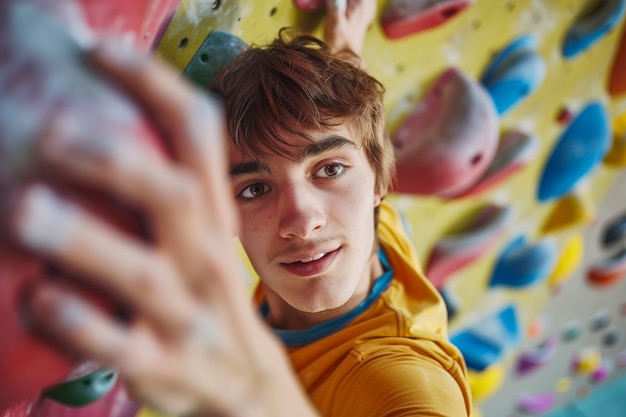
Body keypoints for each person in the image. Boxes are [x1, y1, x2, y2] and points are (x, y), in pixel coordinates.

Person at [5, 0, 471, 415]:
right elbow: (361, 141)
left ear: (380, 184)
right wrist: (346, 47)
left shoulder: (399, 378)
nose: (303, 221)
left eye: (328, 170)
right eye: (253, 189)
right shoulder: (373, 226)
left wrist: (259, 401)